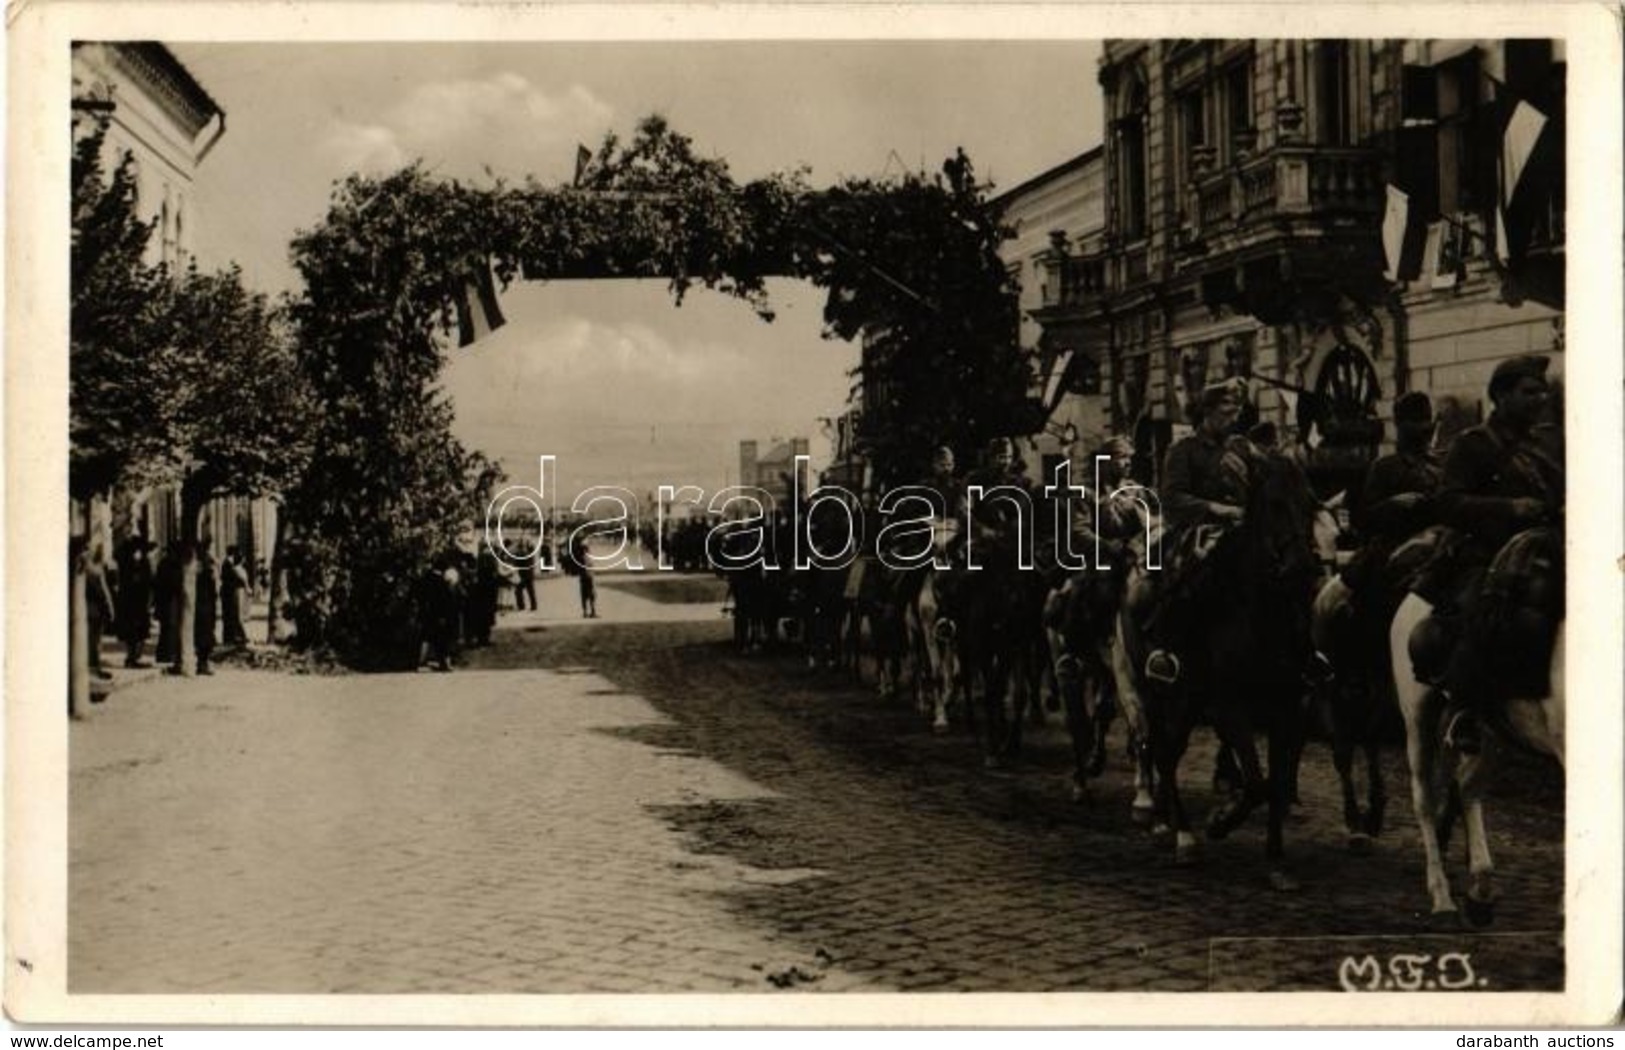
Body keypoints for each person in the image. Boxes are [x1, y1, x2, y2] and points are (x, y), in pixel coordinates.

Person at [1430, 356, 1564, 754]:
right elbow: (1447, 503)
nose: (1539, 399)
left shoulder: (1545, 446)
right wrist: (1508, 508)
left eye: (1542, 391)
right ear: (1501, 396)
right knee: (1482, 611)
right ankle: (1464, 710)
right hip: (1487, 553)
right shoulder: (1472, 445)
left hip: (1547, 548)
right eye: (1528, 392)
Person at [1125, 378, 1252, 684]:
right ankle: (1164, 650)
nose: (1232, 419)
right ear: (1206, 413)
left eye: (1235, 412)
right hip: (1195, 530)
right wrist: (1216, 509)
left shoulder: (1242, 449)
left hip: (1242, 527)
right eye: (1225, 412)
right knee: (1187, 573)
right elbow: (1172, 497)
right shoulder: (1183, 450)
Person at [114, 536, 154, 668]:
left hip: (137, 602)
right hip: (135, 603)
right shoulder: (133, 564)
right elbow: (141, 582)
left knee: (138, 632)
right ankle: (132, 658)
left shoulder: (138, 562)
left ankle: (133, 657)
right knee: (135, 631)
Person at [84, 539, 115, 680]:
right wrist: (110, 609)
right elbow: (104, 593)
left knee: (90, 640)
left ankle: (90, 666)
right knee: (95, 641)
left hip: (86, 610)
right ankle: (94, 667)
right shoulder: (97, 571)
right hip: (96, 611)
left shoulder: (84, 569)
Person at [193, 538, 219, 675]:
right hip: (204, 607)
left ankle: (202, 662)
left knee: (204, 635)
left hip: (205, 606)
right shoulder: (204, 572)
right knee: (204, 636)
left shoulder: (202, 570)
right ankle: (202, 664)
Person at [219, 545, 251, 647]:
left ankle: (232, 636)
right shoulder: (229, 564)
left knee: (231, 614)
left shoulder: (229, 564)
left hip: (230, 591)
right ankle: (234, 636)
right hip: (230, 592)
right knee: (232, 614)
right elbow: (231, 577)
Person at [572, 534, 597, 618]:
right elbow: (590, 563)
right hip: (588, 575)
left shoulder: (579, 552)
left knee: (584, 594)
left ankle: (586, 611)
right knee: (591, 593)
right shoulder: (584, 552)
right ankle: (591, 611)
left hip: (584, 575)